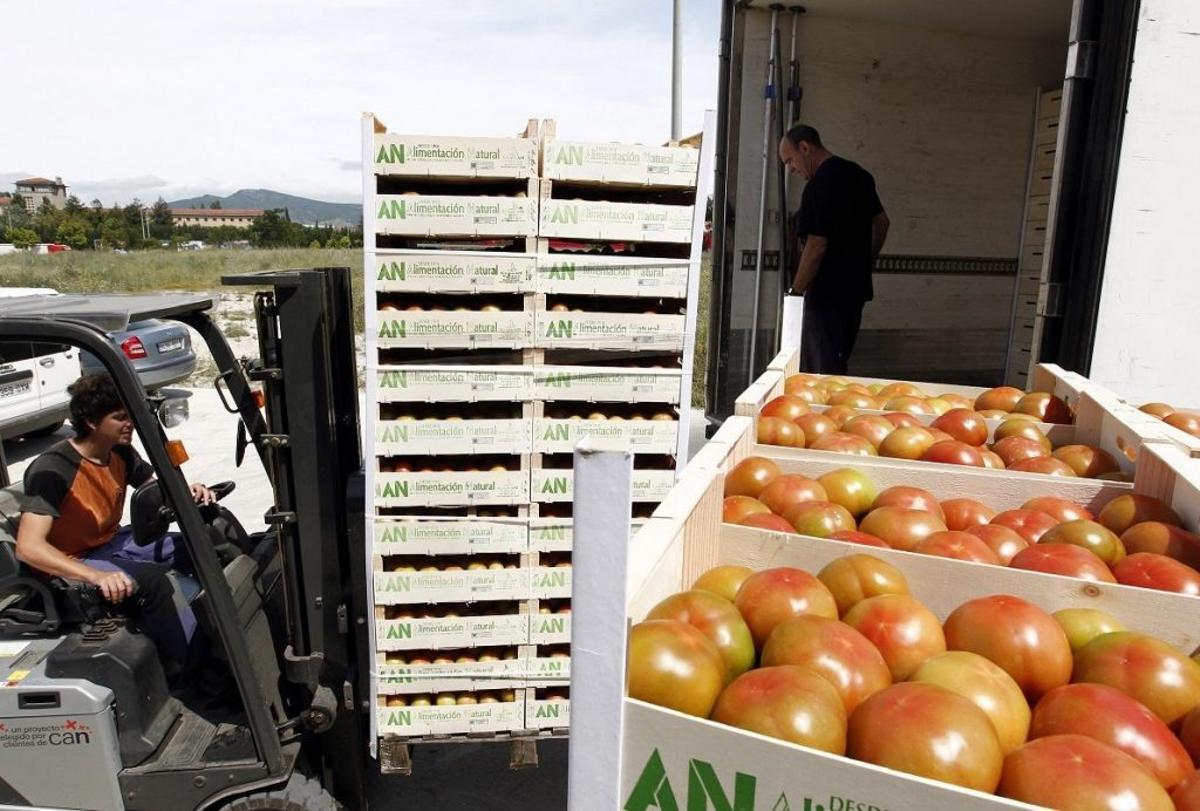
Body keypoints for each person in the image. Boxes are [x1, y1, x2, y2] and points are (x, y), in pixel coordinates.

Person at [15, 373, 214, 675]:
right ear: (92, 422)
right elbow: (29, 548)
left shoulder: (119, 452)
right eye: (119, 417)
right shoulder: (53, 470)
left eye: (129, 415)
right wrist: (95, 576)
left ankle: (222, 629)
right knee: (156, 582)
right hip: (72, 561)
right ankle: (199, 670)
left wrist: (187, 490)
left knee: (195, 544)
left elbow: (153, 489)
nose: (129, 423)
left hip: (110, 542)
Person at [779, 124, 890, 374]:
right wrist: (866, 261)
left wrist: (796, 291)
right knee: (838, 363)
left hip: (826, 297)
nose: (791, 169)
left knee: (822, 372)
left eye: (790, 161)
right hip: (855, 293)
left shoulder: (818, 186)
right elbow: (882, 223)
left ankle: (826, 413)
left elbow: (816, 244)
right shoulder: (859, 175)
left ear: (805, 148)